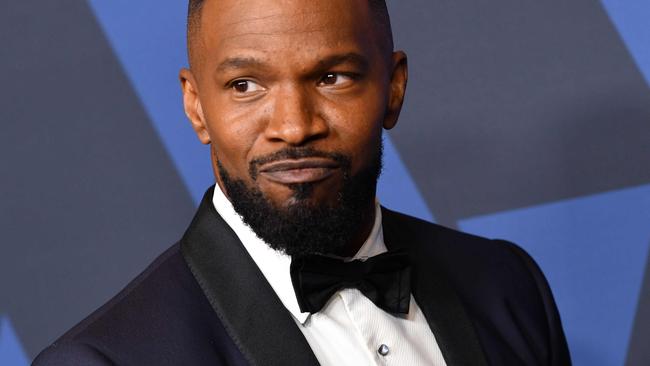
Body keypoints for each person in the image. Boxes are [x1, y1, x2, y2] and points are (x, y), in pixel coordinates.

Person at [33, 0, 571, 365]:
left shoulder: (508, 285)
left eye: (332, 77)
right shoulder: (106, 360)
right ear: (196, 107)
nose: (294, 126)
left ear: (394, 88)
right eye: (245, 85)